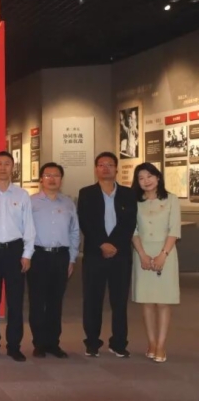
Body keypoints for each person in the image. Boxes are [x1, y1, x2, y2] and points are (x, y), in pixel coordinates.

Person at [0, 151, 35, 362]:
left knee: (15, 301)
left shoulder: (22, 195)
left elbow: (29, 226)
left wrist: (27, 254)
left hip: (15, 251)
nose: (3, 167)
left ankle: (14, 345)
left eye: (7, 164)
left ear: (13, 167)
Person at [77, 152, 137, 358]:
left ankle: (118, 343)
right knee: (92, 300)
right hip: (95, 254)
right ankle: (92, 342)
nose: (105, 168)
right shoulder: (86, 193)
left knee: (119, 302)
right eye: (101, 165)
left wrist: (114, 245)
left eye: (110, 164)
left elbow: (129, 223)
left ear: (116, 168)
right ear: (96, 169)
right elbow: (85, 222)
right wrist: (102, 243)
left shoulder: (128, 194)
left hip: (120, 255)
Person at [28, 163, 80, 359]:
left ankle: (53, 343)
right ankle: (39, 343)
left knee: (55, 302)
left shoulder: (68, 203)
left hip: (61, 256)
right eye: (47, 175)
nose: (52, 179)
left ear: (61, 179)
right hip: (38, 256)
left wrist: (72, 259)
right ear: (41, 179)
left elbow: (74, 232)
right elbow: (24, 230)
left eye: (56, 175)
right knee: (37, 301)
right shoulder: (31, 202)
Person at [130, 162, 180, 363]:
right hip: (142, 252)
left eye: (149, 176)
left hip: (166, 253)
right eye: (141, 178)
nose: (146, 181)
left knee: (163, 301)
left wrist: (163, 255)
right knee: (147, 301)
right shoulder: (135, 202)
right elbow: (133, 231)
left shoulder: (171, 200)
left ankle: (161, 344)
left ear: (158, 177)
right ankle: (151, 342)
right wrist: (142, 254)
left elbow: (174, 230)